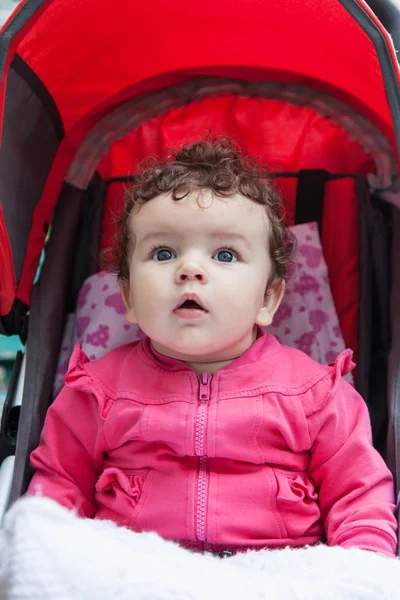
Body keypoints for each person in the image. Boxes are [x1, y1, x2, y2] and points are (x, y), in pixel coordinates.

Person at [28, 138, 397, 557]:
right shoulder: (96, 391)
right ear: (129, 298)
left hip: (278, 574)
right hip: (135, 569)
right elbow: (58, 488)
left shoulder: (317, 394)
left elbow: (360, 497)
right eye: (164, 252)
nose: (190, 270)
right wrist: (51, 556)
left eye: (224, 254)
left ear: (267, 301)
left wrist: (362, 572)